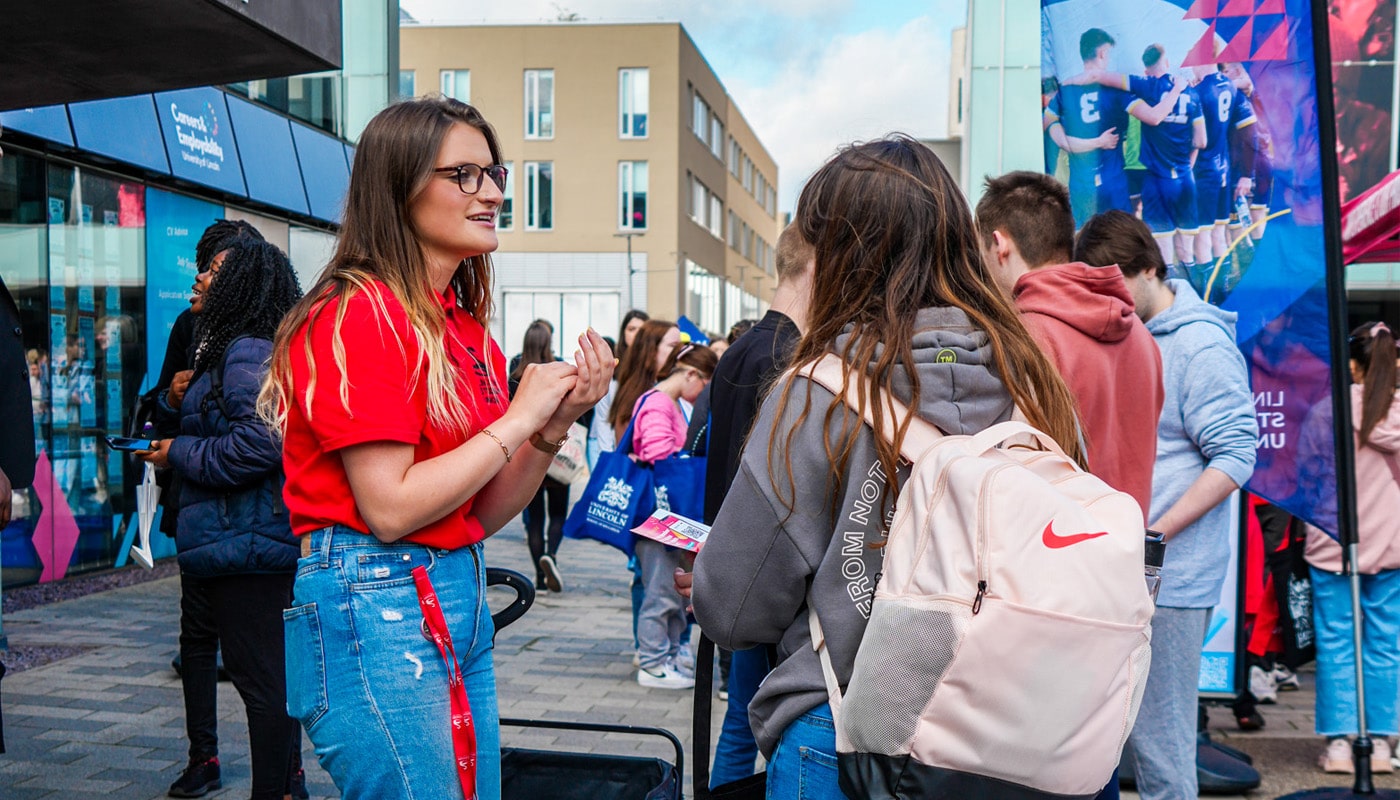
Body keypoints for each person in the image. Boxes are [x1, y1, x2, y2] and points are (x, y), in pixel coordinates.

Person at [692, 136, 1085, 799]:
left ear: (839, 252)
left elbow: (732, 610)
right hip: (1007, 733)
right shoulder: (1034, 379)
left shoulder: (815, 390)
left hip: (845, 729)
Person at [261, 97, 611, 800]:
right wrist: (518, 420)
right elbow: (389, 508)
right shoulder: (362, 314)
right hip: (378, 597)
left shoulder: (459, 325)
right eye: (465, 174)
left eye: (493, 172)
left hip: (447, 588)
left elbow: (478, 512)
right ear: (400, 186)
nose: (491, 192)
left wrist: (550, 425)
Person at [1074, 210, 1257, 800]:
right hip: (1128, 568)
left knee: (1162, 748)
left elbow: (1236, 454)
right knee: (1120, 740)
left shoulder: (1200, 345)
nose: (1112, 301)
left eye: (1116, 284)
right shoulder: (1131, 336)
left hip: (1171, 579)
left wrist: (1153, 533)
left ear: (1149, 269)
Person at [139, 237, 304, 800]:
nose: (200, 280)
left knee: (262, 684)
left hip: (249, 544)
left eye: (212, 272)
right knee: (264, 680)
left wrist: (175, 453)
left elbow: (258, 448)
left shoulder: (245, 352)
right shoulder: (235, 349)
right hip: (240, 541)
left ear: (239, 286)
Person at [695, 226, 814, 788]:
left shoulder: (737, 350)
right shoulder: (789, 357)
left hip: (735, 565)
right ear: (815, 265)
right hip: (767, 575)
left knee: (741, 723)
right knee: (767, 725)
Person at [976, 172, 1163, 515]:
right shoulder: (1139, 330)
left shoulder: (1026, 336)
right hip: (1126, 552)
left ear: (999, 245)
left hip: (1058, 556)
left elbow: (1016, 479)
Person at [1305, 321, 1400, 774]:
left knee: (1337, 640)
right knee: (1386, 643)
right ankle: (1381, 743)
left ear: (1352, 366)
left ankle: (1341, 744)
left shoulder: (1328, 410)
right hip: (1394, 546)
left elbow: (1307, 473)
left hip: (1333, 542)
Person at [631, 343, 717, 689]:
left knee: (664, 588)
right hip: (659, 517)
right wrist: (685, 456)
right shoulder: (658, 403)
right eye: (704, 385)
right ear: (691, 374)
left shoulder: (657, 401)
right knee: (660, 590)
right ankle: (652, 664)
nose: (702, 396)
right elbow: (656, 453)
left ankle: (662, 658)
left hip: (661, 517)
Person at [509, 320, 569, 593]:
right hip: (556, 452)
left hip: (526, 453)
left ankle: (539, 577)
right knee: (557, 514)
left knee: (535, 519)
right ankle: (551, 556)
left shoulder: (516, 371)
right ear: (548, 342)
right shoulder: (558, 369)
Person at [589, 309, 650, 464]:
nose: (636, 334)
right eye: (631, 329)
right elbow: (603, 418)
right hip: (615, 451)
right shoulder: (613, 369)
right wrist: (608, 459)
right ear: (623, 334)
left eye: (641, 330)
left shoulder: (655, 370)